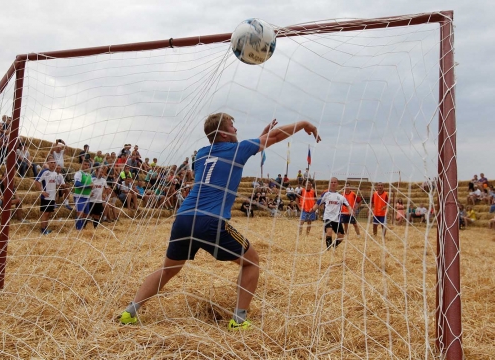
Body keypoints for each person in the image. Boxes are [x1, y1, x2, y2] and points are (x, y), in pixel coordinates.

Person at [118, 112, 320, 330]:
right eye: (232, 126)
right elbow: (274, 138)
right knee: (251, 262)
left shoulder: (202, 154)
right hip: (210, 221)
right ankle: (239, 320)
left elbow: (245, 150)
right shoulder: (237, 149)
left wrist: (259, 140)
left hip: (184, 218)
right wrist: (303, 124)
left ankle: (130, 312)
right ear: (223, 133)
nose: (236, 130)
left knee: (168, 269)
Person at [319, 177, 352, 249]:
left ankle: (333, 246)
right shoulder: (326, 194)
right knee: (329, 231)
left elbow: (348, 205)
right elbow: (318, 203)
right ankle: (328, 250)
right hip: (327, 217)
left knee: (341, 236)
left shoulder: (340, 197)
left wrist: (350, 210)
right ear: (329, 184)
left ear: (337, 184)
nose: (333, 183)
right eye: (332, 182)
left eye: (335, 182)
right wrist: (312, 209)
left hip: (336, 219)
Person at [35, 156, 59, 235]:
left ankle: (45, 228)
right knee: (45, 213)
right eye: (51, 162)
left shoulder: (55, 173)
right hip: (45, 197)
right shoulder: (44, 172)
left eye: (54, 162)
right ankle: (43, 230)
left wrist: (56, 195)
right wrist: (42, 192)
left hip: (52, 197)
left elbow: (55, 185)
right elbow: (37, 182)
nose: (53, 164)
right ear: (48, 163)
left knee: (49, 214)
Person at [73, 160, 93, 230]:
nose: (86, 166)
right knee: (80, 213)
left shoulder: (90, 175)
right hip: (79, 197)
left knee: (86, 215)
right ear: (81, 165)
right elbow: (77, 184)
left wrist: (92, 189)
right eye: (85, 164)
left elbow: (91, 185)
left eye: (88, 165)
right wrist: (88, 186)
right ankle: (78, 229)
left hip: (87, 197)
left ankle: (82, 227)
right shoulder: (79, 173)